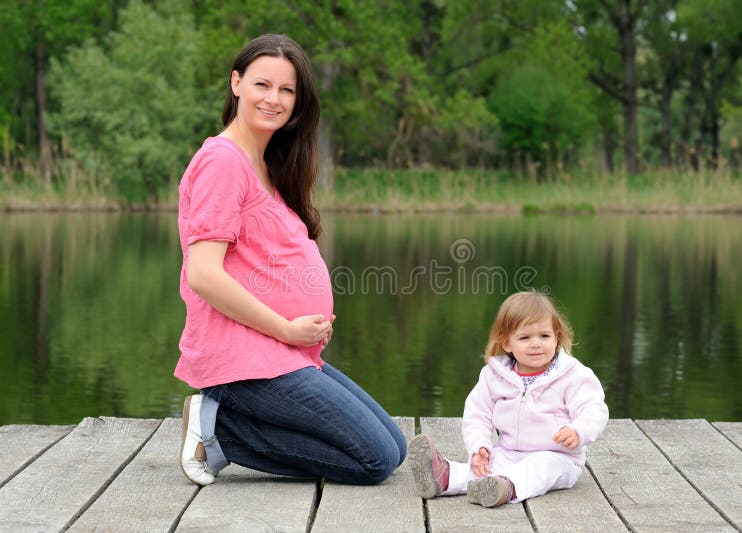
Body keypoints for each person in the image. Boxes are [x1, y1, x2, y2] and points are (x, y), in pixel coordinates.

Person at [176, 34, 406, 487]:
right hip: (245, 359)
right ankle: (220, 429)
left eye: (287, 90)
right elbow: (203, 274)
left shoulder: (268, 165)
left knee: (394, 446)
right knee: (374, 460)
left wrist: (303, 326)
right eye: (263, 84)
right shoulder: (222, 162)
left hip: (284, 353)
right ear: (236, 83)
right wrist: (285, 327)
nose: (274, 99)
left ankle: (226, 425)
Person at [408, 291, 608, 507]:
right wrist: (479, 446)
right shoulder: (494, 375)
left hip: (559, 456)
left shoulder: (572, 374)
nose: (536, 344)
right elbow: (478, 414)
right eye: (525, 337)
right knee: (485, 466)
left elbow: (593, 408)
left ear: (557, 336)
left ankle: (506, 488)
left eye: (544, 336)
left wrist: (578, 430)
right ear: (507, 343)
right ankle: (445, 477)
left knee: (538, 468)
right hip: (509, 451)